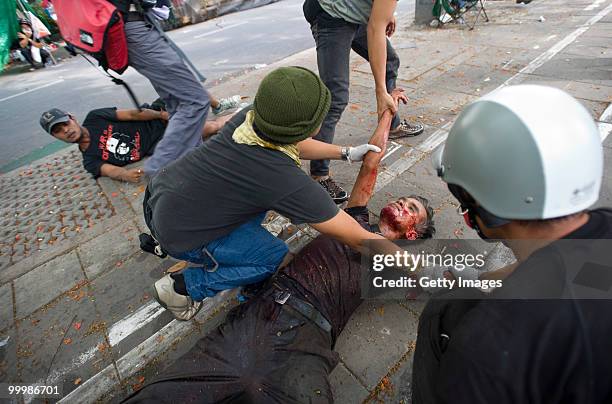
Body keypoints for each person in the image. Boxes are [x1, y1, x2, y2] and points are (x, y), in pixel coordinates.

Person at [124, 101, 435, 404]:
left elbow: (440, 280)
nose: (400, 204)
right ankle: (189, 271)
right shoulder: (356, 217)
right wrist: (387, 110)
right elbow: (372, 161)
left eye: (411, 209)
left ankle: (188, 267)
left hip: (306, 338)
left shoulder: (397, 264)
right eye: (403, 200)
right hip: (257, 314)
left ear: (412, 234)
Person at [145, 66, 415, 321]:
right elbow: (359, 239)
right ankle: (183, 288)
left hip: (165, 192)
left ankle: (192, 244)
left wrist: (345, 152)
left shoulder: (254, 116)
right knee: (274, 258)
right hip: (182, 231)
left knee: (253, 209)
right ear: (313, 126)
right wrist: (425, 270)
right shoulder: (281, 178)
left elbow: (293, 141)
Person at [412, 85, 612, 403]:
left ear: (483, 210)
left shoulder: (483, 352)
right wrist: (480, 278)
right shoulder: (604, 226)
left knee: (441, 311)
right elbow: (569, 269)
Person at [302, 0, 425, 203]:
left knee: (390, 61)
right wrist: (381, 92)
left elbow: (378, 18)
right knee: (335, 98)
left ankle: (392, 126)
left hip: (354, 13)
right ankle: (319, 175)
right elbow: (376, 29)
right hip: (331, 13)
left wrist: (383, 12)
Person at [103, 0, 212, 176]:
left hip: (134, 25)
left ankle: (193, 162)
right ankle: (158, 169)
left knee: (178, 103)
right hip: (132, 27)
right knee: (195, 101)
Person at [39, 105, 232, 183]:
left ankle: (236, 113)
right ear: (56, 137)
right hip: (158, 144)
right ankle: (224, 120)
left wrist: (160, 114)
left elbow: (132, 114)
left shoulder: (95, 117)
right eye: (58, 131)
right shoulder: (90, 160)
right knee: (202, 138)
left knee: (208, 126)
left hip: (154, 120)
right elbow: (111, 171)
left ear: (72, 118)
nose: (66, 130)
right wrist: (126, 174)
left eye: (65, 123)